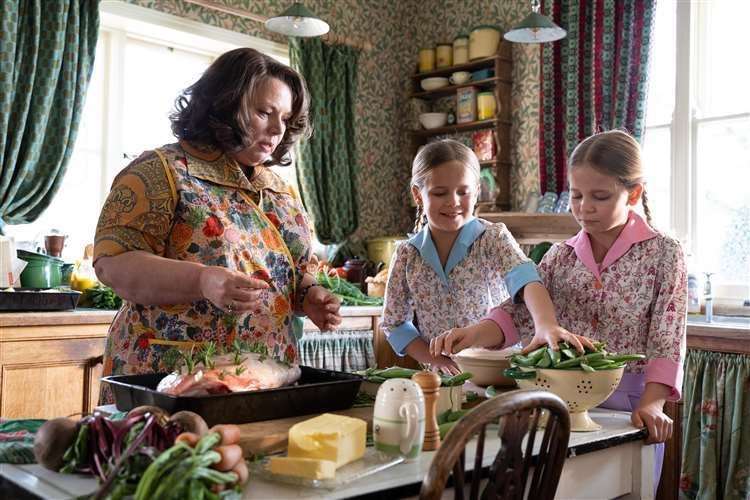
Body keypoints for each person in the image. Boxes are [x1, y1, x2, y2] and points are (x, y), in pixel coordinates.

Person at [432, 130, 685, 477]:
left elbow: (666, 337)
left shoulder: (664, 254)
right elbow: (516, 314)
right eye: (577, 196)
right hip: (561, 407)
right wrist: (473, 335)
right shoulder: (559, 256)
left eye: (600, 196)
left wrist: (652, 404)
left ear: (634, 193)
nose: (585, 208)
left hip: (632, 406)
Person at [93, 48, 342, 395]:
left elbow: (296, 274)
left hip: (263, 377)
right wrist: (202, 281)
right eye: (263, 112)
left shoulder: (281, 192)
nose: (276, 129)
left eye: (285, 118)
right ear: (224, 106)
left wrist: (310, 296)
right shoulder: (162, 171)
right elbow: (113, 265)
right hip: (168, 375)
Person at [381, 139, 586, 374]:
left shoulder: (493, 238)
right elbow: (395, 324)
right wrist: (435, 360)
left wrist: (546, 325)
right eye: (439, 193)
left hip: (499, 371)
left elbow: (528, 281)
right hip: (440, 380)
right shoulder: (408, 255)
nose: (453, 202)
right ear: (418, 195)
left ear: (477, 191)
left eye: (463, 192)